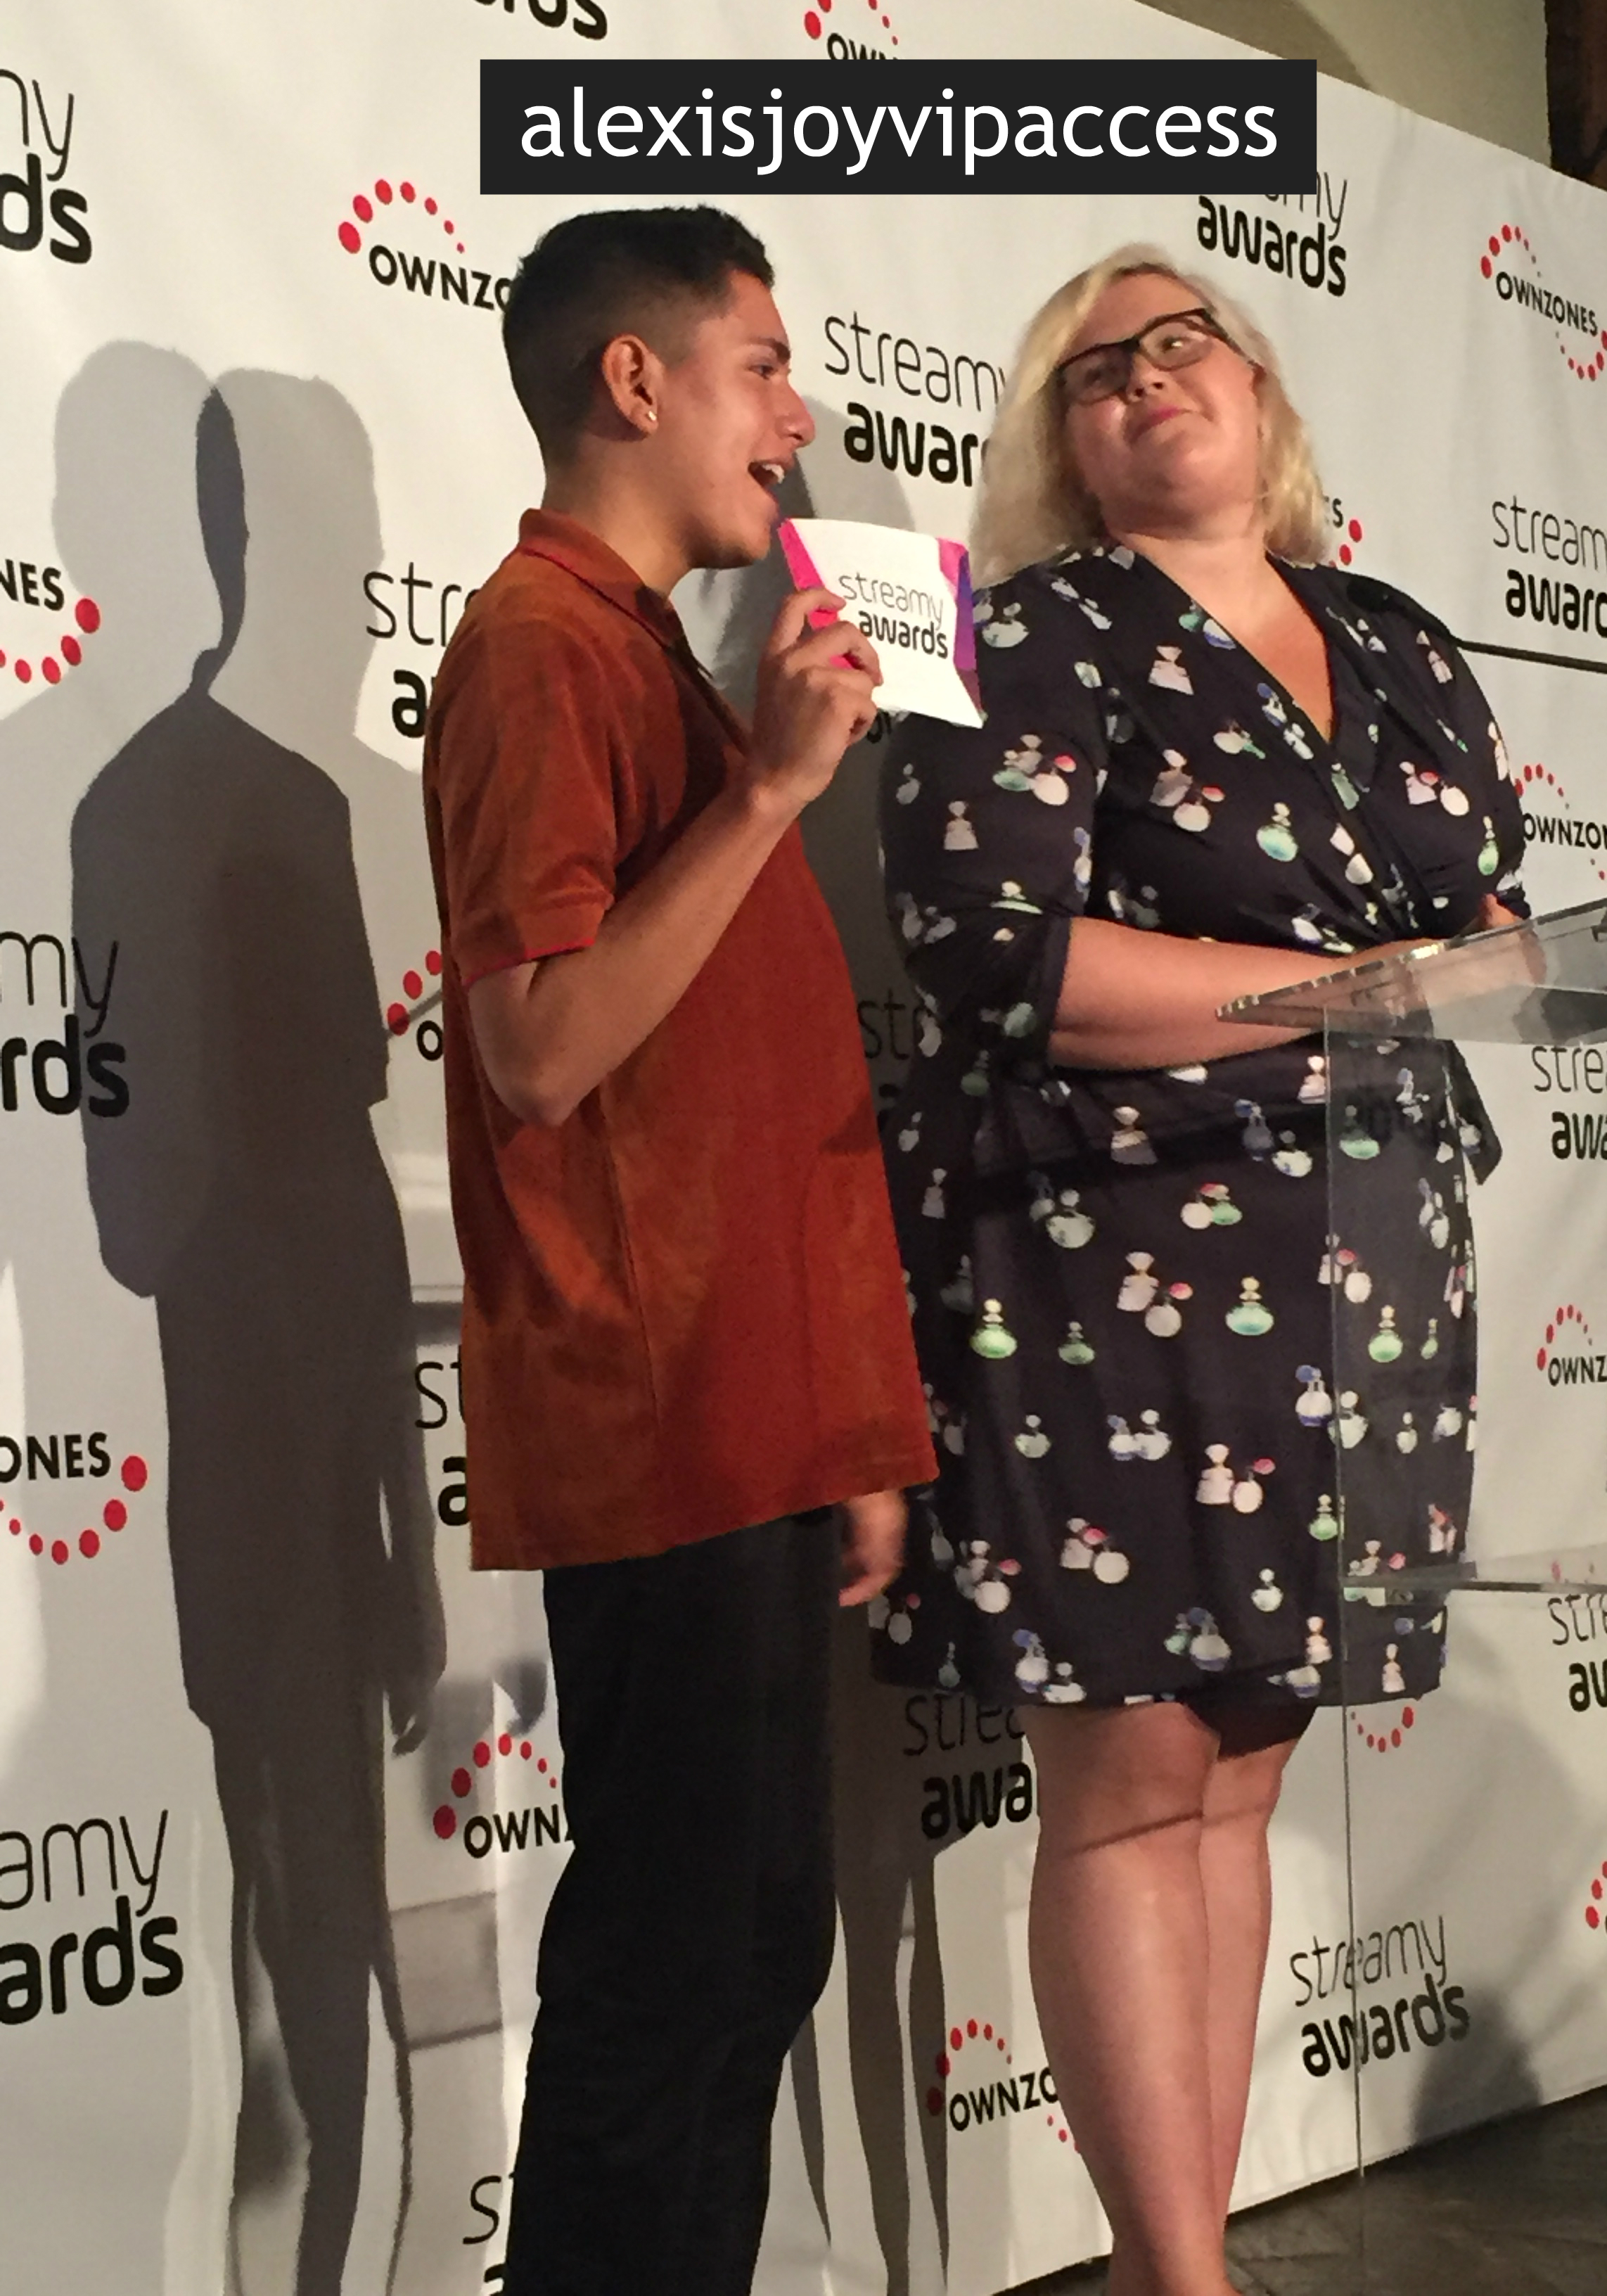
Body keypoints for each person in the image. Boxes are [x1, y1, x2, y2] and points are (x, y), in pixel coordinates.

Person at [874, 245, 1527, 2296]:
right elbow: (1010, 960)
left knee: (1240, 1776)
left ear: (1260, 390)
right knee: (1141, 1781)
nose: (1149, 379)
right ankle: (1180, 2281)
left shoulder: (1396, 638)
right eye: (1097, 372)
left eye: (1185, 343)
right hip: (1111, 1256)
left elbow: (1500, 931)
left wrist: (1407, 982)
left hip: (1367, 1263)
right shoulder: (1018, 632)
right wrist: (1351, 992)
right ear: (1062, 445)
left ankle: (1196, 2253)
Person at [423, 205, 935, 2296]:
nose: (798, 420)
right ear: (635, 381)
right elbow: (540, 1050)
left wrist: (852, 1428)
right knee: (672, 1967)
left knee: (745, 1953)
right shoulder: (536, 648)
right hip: (659, 1416)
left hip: (753, 1416)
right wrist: (772, 795)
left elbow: (736, 1091)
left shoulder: (645, 657)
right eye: (765, 366)